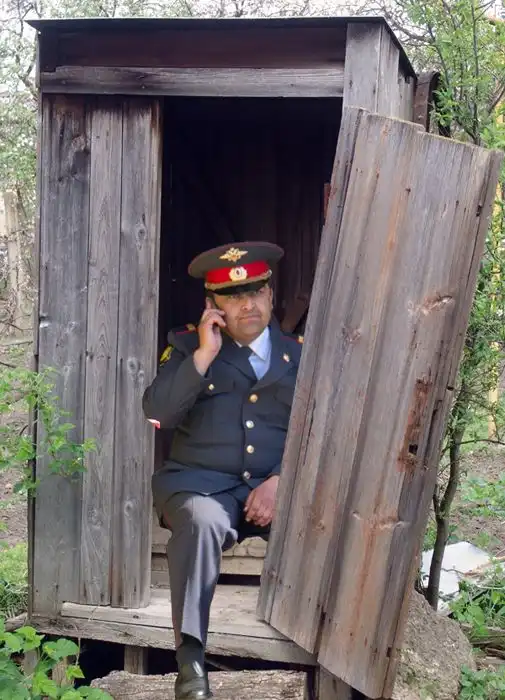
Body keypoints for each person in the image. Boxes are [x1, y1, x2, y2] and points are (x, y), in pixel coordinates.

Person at [142, 242, 303, 700]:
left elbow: (324, 428)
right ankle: (191, 663)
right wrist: (204, 355)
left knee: (325, 522)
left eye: (255, 292)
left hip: (274, 485)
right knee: (202, 522)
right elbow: (158, 414)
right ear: (213, 306)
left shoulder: (298, 355)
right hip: (199, 484)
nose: (247, 304)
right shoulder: (186, 348)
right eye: (233, 297)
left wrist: (282, 479)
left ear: (270, 295)